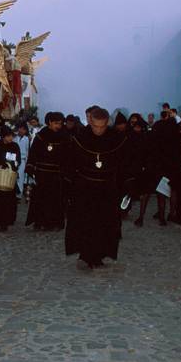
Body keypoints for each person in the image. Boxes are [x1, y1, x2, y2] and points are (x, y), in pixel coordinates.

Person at [64, 108, 129, 271]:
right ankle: (85, 255)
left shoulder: (116, 139)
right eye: (96, 126)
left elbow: (123, 165)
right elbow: (69, 164)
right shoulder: (79, 138)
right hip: (85, 188)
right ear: (90, 122)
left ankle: (99, 254)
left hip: (107, 189)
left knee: (104, 223)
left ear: (107, 123)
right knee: (85, 223)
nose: (99, 130)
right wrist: (70, 186)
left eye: (102, 127)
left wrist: (124, 187)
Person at [25, 112, 69, 231]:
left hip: (56, 174)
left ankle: (55, 223)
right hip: (42, 173)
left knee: (55, 200)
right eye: (56, 123)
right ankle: (40, 222)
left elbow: (68, 156)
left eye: (60, 124)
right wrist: (30, 166)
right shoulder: (41, 135)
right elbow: (33, 152)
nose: (58, 126)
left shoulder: (64, 136)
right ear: (49, 122)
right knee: (41, 198)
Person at [0, 125, 20, 232]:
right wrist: (1, 164)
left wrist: (13, 165)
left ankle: (5, 222)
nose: (11, 138)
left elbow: (17, 159)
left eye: (11, 136)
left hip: (9, 177)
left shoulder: (15, 146)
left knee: (8, 200)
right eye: (8, 136)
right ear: (3, 136)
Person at [14, 123, 31, 197]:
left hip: (23, 159)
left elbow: (27, 151)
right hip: (14, 160)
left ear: (25, 131)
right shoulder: (14, 138)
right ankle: (13, 193)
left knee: (20, 177)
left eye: (23, 129)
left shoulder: (27, 139)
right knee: (14, 176)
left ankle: (19, 195)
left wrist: (27, 162)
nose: (21, 130)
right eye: (20, 128)